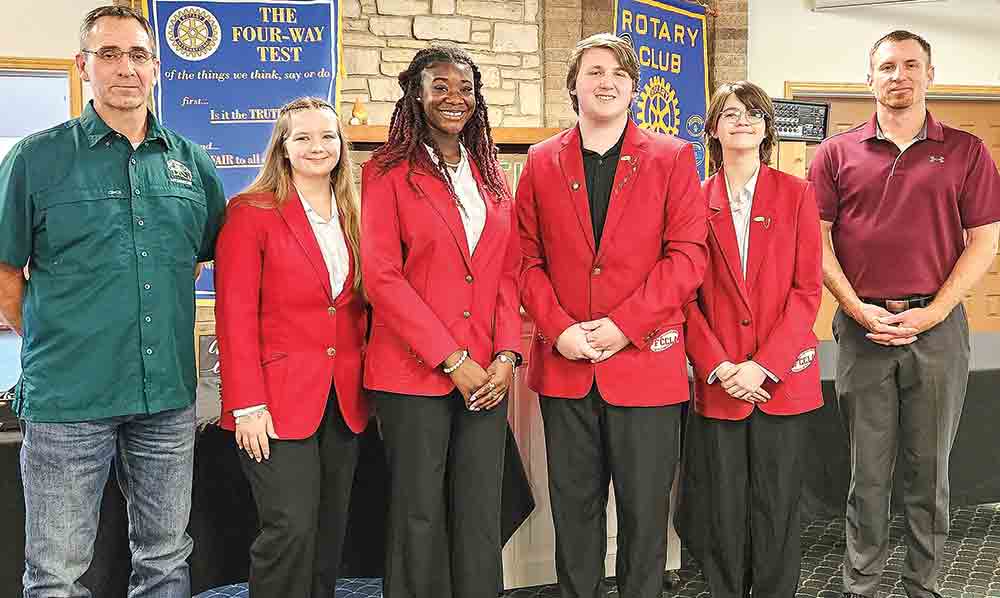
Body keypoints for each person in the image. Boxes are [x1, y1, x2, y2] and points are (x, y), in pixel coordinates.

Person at [0, 6, 226, 597]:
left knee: (166, 559)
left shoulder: (192, 164)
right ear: (84, 66)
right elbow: (5, 268)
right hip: (69, 400)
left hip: (167, 400)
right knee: (56, 573)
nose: (125, 67)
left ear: (155, 68)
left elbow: (202, 257)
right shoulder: (35, 159)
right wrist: (53, 341)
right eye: (109, 54)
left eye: (137, 55)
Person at [809, 30, 1000, 598]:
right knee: (866, 473)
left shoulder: (967, 151)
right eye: (887, 66)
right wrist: (855, 308)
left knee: (929, 470)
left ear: (930, 75)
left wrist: (935, 312)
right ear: (870, 77)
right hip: (862, 330)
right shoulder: (834, 153)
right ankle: (861, 583)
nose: (899, 76)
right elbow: (814, 243)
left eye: (911, 65)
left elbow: (984, 241)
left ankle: (925, 583)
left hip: (938, 332)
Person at [516, 32, 707, 598]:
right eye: (595, 71)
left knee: (645, 518)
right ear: (573, 84)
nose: (607, 82)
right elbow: (526, 260)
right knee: (573, 515)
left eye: (620, 74)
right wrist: (560, 330)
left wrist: (626, 325)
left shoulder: (673, 158)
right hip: (567, 366)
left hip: (646, 365)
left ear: (634, 89)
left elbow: (688, 256)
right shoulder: (541, 160)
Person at [360, 46, 522, 598]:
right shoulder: (385, 171)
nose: (455, 98)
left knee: (479, 510)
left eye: (466, 88)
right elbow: (382, 277)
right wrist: (452, 359)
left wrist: (505, 356)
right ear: (417, 93)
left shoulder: (491, 174)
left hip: (487, 375)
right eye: (441, 86)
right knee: (419, 514)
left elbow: (505, 273)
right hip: (415, 372)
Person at [214, 97, 368, 598]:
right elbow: (234, 317)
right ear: (282, 147)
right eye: (302, 137)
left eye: (327, 136)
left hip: (343, 400)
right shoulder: (250, 212)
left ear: (342, 146)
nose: (316, 147)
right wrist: (247, 405)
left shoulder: (353, 214)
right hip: (275, 402)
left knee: (328, 532)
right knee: (289, 530)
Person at [682, 80, 823, 598]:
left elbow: (807, 292)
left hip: (780, 381)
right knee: (721, 508)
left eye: (753, 113)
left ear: (767, 128)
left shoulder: (797, 195)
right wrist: (719, 366)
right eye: (731, 113)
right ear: (713, 128)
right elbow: (684, 299)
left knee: (777, 507)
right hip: (719, 382)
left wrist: (763, 365)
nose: (742, 120)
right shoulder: (692, 200)